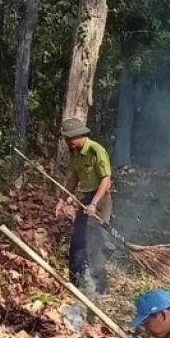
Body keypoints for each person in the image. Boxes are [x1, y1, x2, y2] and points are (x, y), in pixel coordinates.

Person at [58, 117, 114, 295]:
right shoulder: (75, 153)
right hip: (85, 201)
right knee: (77, 243)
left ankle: (101, 289)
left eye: (69, 139)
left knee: (93, 243)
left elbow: (106, 180)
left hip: (99, 200)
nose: (68, 142)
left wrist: (94, 203)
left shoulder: (97, 151)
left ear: (79, 135)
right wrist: (62, 198)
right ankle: (74, 285)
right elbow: (74, 177)